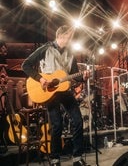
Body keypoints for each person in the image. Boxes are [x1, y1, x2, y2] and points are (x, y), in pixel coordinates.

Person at [21, 25, 90, 166]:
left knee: (78, 121)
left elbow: (74, 75)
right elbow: (25, 65)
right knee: (57, 125)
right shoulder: (45, 49)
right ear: (61, 36)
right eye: (68, 37)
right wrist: (39, 78)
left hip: (64, 90)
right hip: (49, 92)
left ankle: (77, 158)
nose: (70, 40)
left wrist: (83, 77)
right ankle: (55, 159)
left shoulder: (71, 54)